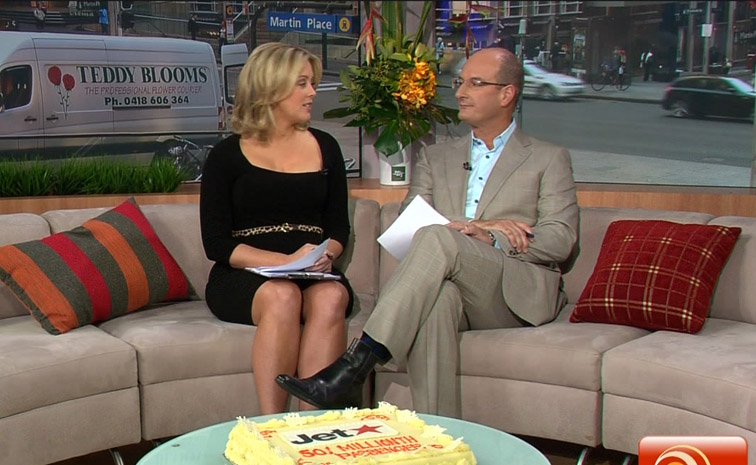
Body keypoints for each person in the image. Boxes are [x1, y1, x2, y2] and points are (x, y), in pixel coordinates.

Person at [276, 47, 580, 417]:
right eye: (460, 82)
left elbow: (560, 239)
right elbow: (411, 225)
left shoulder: (548, 158)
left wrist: (493, 238)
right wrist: (481, 226)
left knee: (438, 238)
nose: (461, 92)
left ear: (506, 94)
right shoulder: (436, 157)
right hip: (453, 283)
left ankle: (356, 363)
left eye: (475, 83)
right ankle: (440, 432)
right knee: (438, 301)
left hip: (512, 290)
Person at [199, 43, 353, 415]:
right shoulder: (225, 156)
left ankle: (313, 425)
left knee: (332, 296)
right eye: (302, 83)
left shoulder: (326, 147)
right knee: (282, 295)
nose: (312, 92)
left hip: (313, 270)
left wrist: (327, 255)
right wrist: (285, 261)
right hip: (244, 274)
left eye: (312, 82)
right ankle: (273, 426)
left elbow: (338, 227)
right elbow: (217, 243)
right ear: (270, 88)